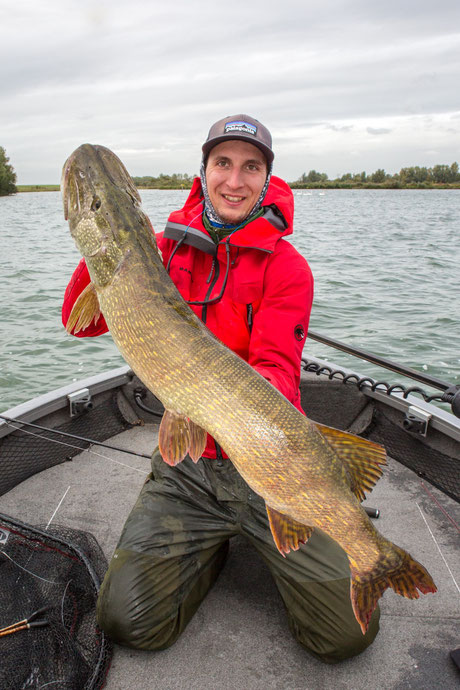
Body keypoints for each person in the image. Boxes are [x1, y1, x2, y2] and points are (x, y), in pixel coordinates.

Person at [62, 114, 380, 663]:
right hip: (187, 474)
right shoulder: (161, 247)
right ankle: (208, 550)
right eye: (223, 164)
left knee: (345, 637)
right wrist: (99, 249)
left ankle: (260, 530)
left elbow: (278, 368)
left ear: (266, 179)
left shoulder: (287, 268)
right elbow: (80, 322)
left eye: (250, 167)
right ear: (204, 171)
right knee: (125, 621)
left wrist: (249, 428)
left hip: (267, 467)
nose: (235, 181)